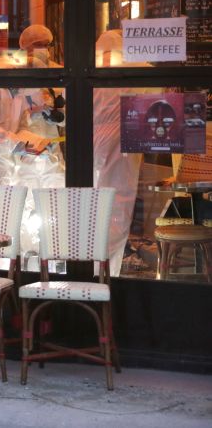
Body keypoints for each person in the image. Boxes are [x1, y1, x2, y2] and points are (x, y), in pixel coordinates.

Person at [0, 55, 58, 267]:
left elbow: (22, 126)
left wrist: (33, 142)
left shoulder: (17, 93)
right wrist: (17, 143)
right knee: (1, 212)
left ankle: (16, 261)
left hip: (7, 156)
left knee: (15, 210)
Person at [93, 30, 146, 276]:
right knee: (118, 210)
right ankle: (107, 271)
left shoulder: (89, 69)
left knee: (91, 210)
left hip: (90, 148)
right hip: (127, 146)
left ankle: (90, 267)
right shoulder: (140, 68)